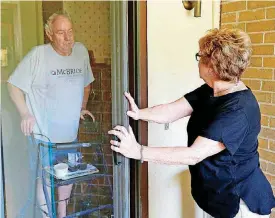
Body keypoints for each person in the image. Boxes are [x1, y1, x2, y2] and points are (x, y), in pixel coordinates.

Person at [108, 28, 275, 218]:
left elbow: (193, 155)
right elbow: (172, 111)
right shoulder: (212, 90)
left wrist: (138, 151)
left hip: (240, 202)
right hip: (216, 196)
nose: (198, 60)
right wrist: (139, 113)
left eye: (200, 55)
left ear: (212, 65)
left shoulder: (239, 110)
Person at [7, 12, 95, 218]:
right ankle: (47, 216)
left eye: (70, 31)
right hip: (43, 135)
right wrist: (25, 114)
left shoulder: (80, 52)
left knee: (69, 175)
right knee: (45, 177)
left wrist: (82, 107)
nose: (68, 38)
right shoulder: (38, 55)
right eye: (61, 33)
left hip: (69, 133)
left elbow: (87, 84)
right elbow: (13, 85)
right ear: (49, 34)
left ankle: (62, 215)